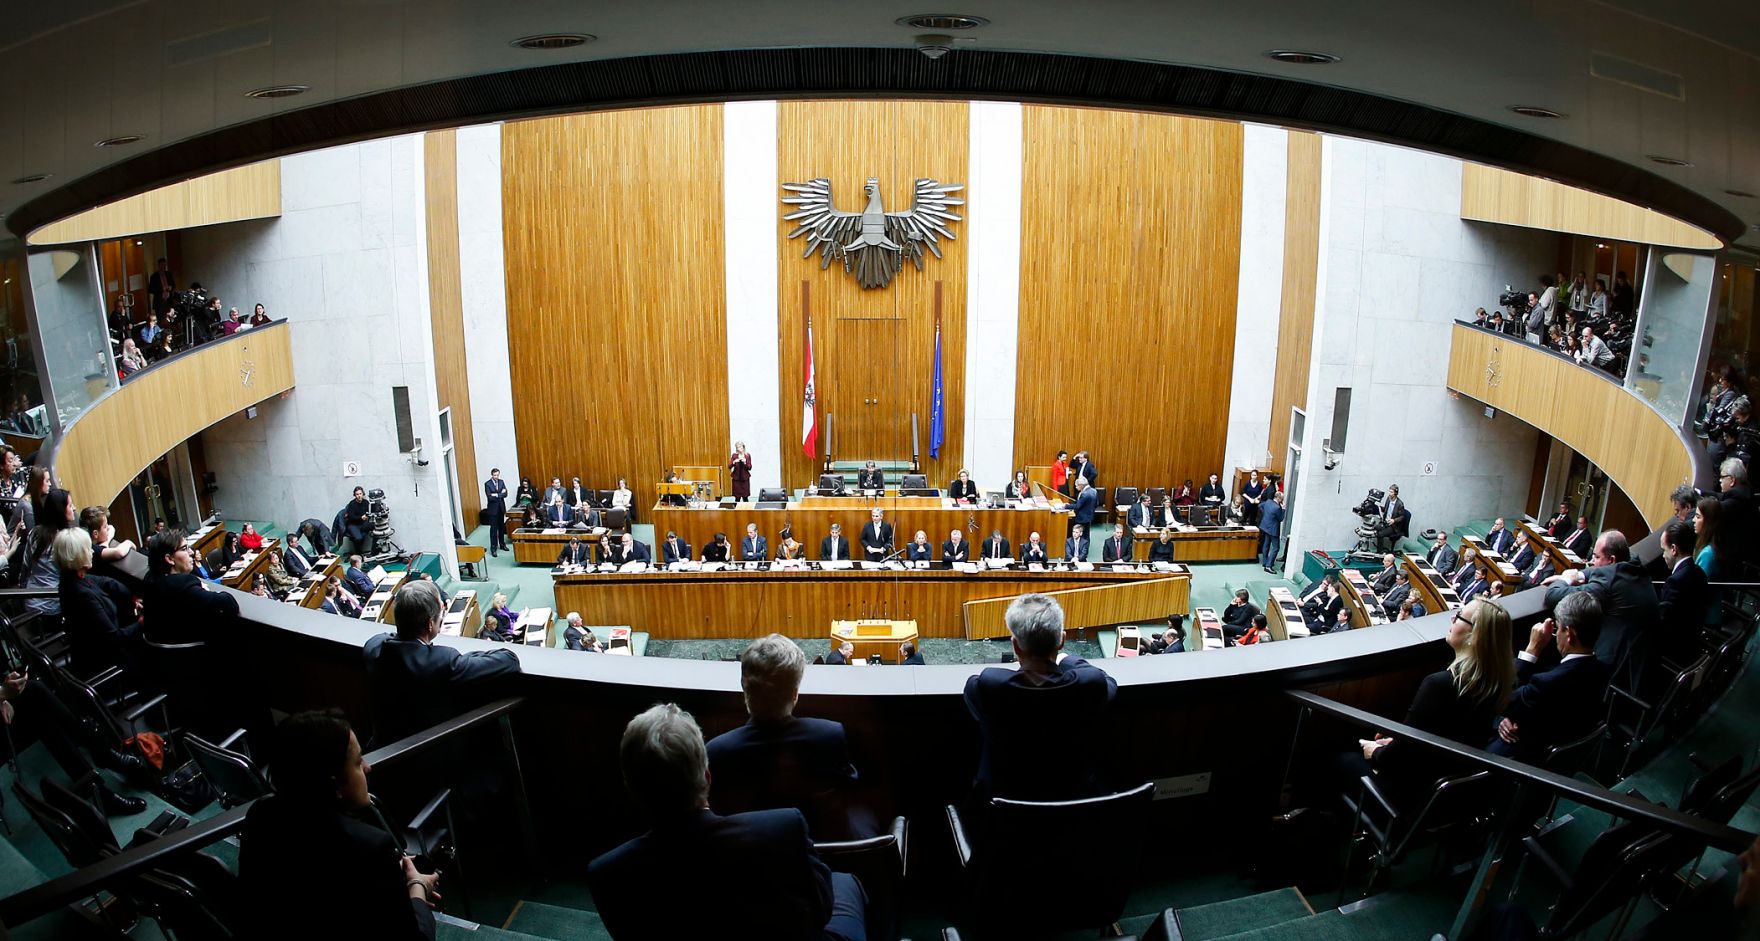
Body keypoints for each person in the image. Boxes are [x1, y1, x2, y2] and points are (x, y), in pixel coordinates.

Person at [589, 703, 866, 941]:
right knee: (844, 882)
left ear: (631, 788)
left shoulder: (606, 874)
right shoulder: (783, 828)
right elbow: (821, 911)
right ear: (707, 776)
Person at [239, 711, 440, 941]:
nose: (367, 768)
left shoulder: (260, 814)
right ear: (334, 782)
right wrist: (417, 888)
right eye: (357, 762)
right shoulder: (371, 848)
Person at [1351, 599, 1515, 801]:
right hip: (1447, 792)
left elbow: (1400, 757)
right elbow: (1435, 738)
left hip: (1411, 791)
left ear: (1475, 635)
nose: (1453, 618)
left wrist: (1376, 752)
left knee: (1339, 759)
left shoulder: (1440, 684)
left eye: (1460, 616)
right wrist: (1395, 742)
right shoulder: (1495, 684)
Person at [964, 594, 1116, 801]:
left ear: (1015, 646)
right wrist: (1066, 659)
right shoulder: (1089, 684)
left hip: (1004, 813)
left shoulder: (989, 685)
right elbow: (1106, 681)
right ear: (1062, 640)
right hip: (1076, 808)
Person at [361, 580, 520, 745]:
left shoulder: (374, 646)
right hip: (428, 753)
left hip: (383, 743)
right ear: (430, 623)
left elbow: (392, 637)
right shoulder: (443, 661)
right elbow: (509, 659)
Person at [1489, 592, 1611, 763]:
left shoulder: (1547, 683)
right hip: (1565, 751)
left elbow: (1503, 699)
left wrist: (1532, 649)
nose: (1555, 635)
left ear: (1569, 634)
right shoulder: (1603, 670)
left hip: (1526, 756)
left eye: (1558, 628)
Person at [1543, 529, 1659, 695]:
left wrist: (1567, 578)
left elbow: (1553, 596)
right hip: (1641, 662)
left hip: (1613, 672)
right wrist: (1581, 574)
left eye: (1596, 557)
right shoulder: (1632, 566)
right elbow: (1594, 571)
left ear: (1612, 560)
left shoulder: (1608, 584)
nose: (1591, 561)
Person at [54, 528, 141, 676]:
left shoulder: (73, 578)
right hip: (109, 668)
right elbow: (114, 639)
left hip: (96, 655)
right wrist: (141, 622)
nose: (93, 552)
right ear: (77, 556)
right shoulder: (81, 595)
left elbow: (107, 582)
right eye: (88, 549)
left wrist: (132, 598)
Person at [1657, 518, 1710, 637]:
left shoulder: (1674, 582)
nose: (1663, 556)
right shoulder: (1699, 573)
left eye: (1664, 550)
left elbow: (1663, 623)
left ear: (1674, 549)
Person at [483, 468, 509, 556]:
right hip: (493, 509)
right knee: (493, 529)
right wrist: (500, 494)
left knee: (501, 527)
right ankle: (493, 548)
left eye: (497, 475)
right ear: (492, 475)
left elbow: (505, 494)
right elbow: (489, 497)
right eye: (495, 475)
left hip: (501, 508)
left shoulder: (501, 482)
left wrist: (496, 494)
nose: (496, 477)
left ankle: (502, 544)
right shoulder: (487, 484)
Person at [1258, 490, 1284, 573]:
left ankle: (1265, 562)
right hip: (1273, 529)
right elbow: (1280, 518)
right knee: (1276, 548)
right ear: (1279, 498)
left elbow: (1260, 506)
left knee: (1266, 544)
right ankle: (1269, 566)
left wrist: (1265, 514)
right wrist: (1283, 509)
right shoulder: (1277, 507)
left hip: (1265, 526)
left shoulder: (1268, 502)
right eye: (1282, 499)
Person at [342, 487, 373, 555]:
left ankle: (375, 550)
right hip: (353, 525)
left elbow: (369, 512)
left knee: (376, 527)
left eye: (360, 494)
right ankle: (358, 555)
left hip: (362, 524)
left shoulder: (366, 502)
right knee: (359, 538)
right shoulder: (352, 504)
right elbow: (351, 517)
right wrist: (361, 518)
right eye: (357, 494)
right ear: (355, 495)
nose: (359, 496)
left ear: (363, 494)